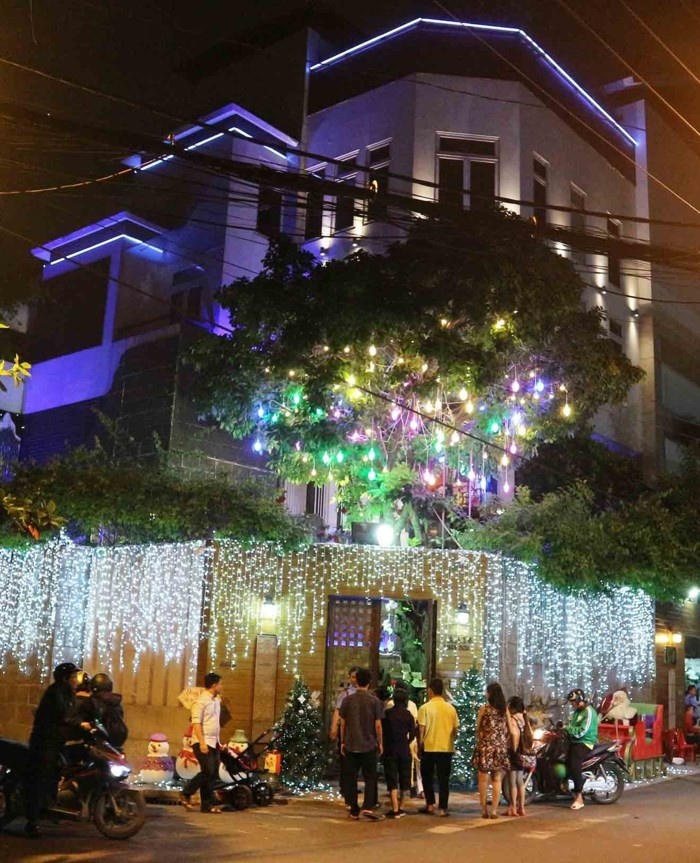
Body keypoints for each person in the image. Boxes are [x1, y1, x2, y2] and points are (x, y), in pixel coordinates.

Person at [25, 662, 92, 839]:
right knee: (41, 778)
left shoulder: (67, 693)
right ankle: (32, 821)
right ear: (65, 679)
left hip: (57, 741)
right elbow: (65, 714)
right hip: (45, 742)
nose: (76, 680)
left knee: (56, 773)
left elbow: (72, 714)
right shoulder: (55, 692)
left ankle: (49, 808)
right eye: (73, 676)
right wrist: (80, 724)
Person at [339, 667, 384, 821]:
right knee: (370, 777)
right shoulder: (375, 701)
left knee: (350, 778)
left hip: (351, 743)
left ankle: (353, 809)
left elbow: (342, 723)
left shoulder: (347, 700)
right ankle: (367, 806)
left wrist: (342, 741)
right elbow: (378, 725)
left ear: (356, 681)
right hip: (369, 744)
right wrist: (380, 742)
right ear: (369, 682)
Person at [180, 673, 224, 814]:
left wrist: (219, 742)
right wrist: (202, 743)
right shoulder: (200, 702)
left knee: (213, 773)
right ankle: (186, 792)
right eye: (220, 684)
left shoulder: (216, 700)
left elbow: (214, 723)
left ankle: (207, 805)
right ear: (214, 685)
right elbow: (196, 723)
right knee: (207, 771)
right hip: (201, 741)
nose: (222, 686)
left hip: (214, 742)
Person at [417, 677, 459, 817]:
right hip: (446, 748)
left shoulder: (424, 708)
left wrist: (420, 745)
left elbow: (421, 730)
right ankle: (442, 808)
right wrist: (451, 740)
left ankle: (430, 805)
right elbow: (455, 730)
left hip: (429, 747)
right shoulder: (451, 709)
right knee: (443, 779)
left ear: (430, 691)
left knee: (427, 777)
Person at [473, 681, 510, 819]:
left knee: (483, 779)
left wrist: (482, 738)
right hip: (499, 747)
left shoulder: (484, 709)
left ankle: (484, 810)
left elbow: (478, 728)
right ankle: (494, 810)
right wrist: (502, 740)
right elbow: (510, 730)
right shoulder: (504, 710)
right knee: (497, 779)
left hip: (485, 746)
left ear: (490, 694)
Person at [382, 688, 416, 818]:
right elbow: (413, 733)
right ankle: (401, 807)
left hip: (390, 748)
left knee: (392, 778)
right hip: (404, 748)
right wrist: (407, 741)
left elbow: (383, 731)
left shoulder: (387, 714)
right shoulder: (408, 715)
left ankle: (395, 808)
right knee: (404, 778)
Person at [565, 688, 599, 811]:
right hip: (574, 741)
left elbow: (582, 732)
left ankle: (579, 797)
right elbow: (571, 726)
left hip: (585, 742)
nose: (572, 705)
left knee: (574, 764)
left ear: (580, 700)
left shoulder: (589, 712)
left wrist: (567, 729)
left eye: (573, 702)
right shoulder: (577, 712)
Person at [330, 667, 358, 808]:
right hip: (345, 731)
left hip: (358, 733)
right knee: (345, 761)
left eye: (356, 677)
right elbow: (338, 711)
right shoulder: (345, 694)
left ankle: (351, 787)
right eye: (352, 677)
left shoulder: (364, 693)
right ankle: (345, 787)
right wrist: (334, 727)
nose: (354, 680)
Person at [505, 696, 534, 817]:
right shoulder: (524, 718)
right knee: (520, 781)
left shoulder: (513, 719)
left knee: (512, 782)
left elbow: (513, 733)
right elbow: (531, 734)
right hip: (523, 754)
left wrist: (513, 749)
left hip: (514, 752)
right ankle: (521, 808)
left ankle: (512, 808)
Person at [90, 672, 128, 749]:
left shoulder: (96, 701)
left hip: (102, 741)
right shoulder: (116, 702)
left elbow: (96, 720)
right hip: (118, 741)